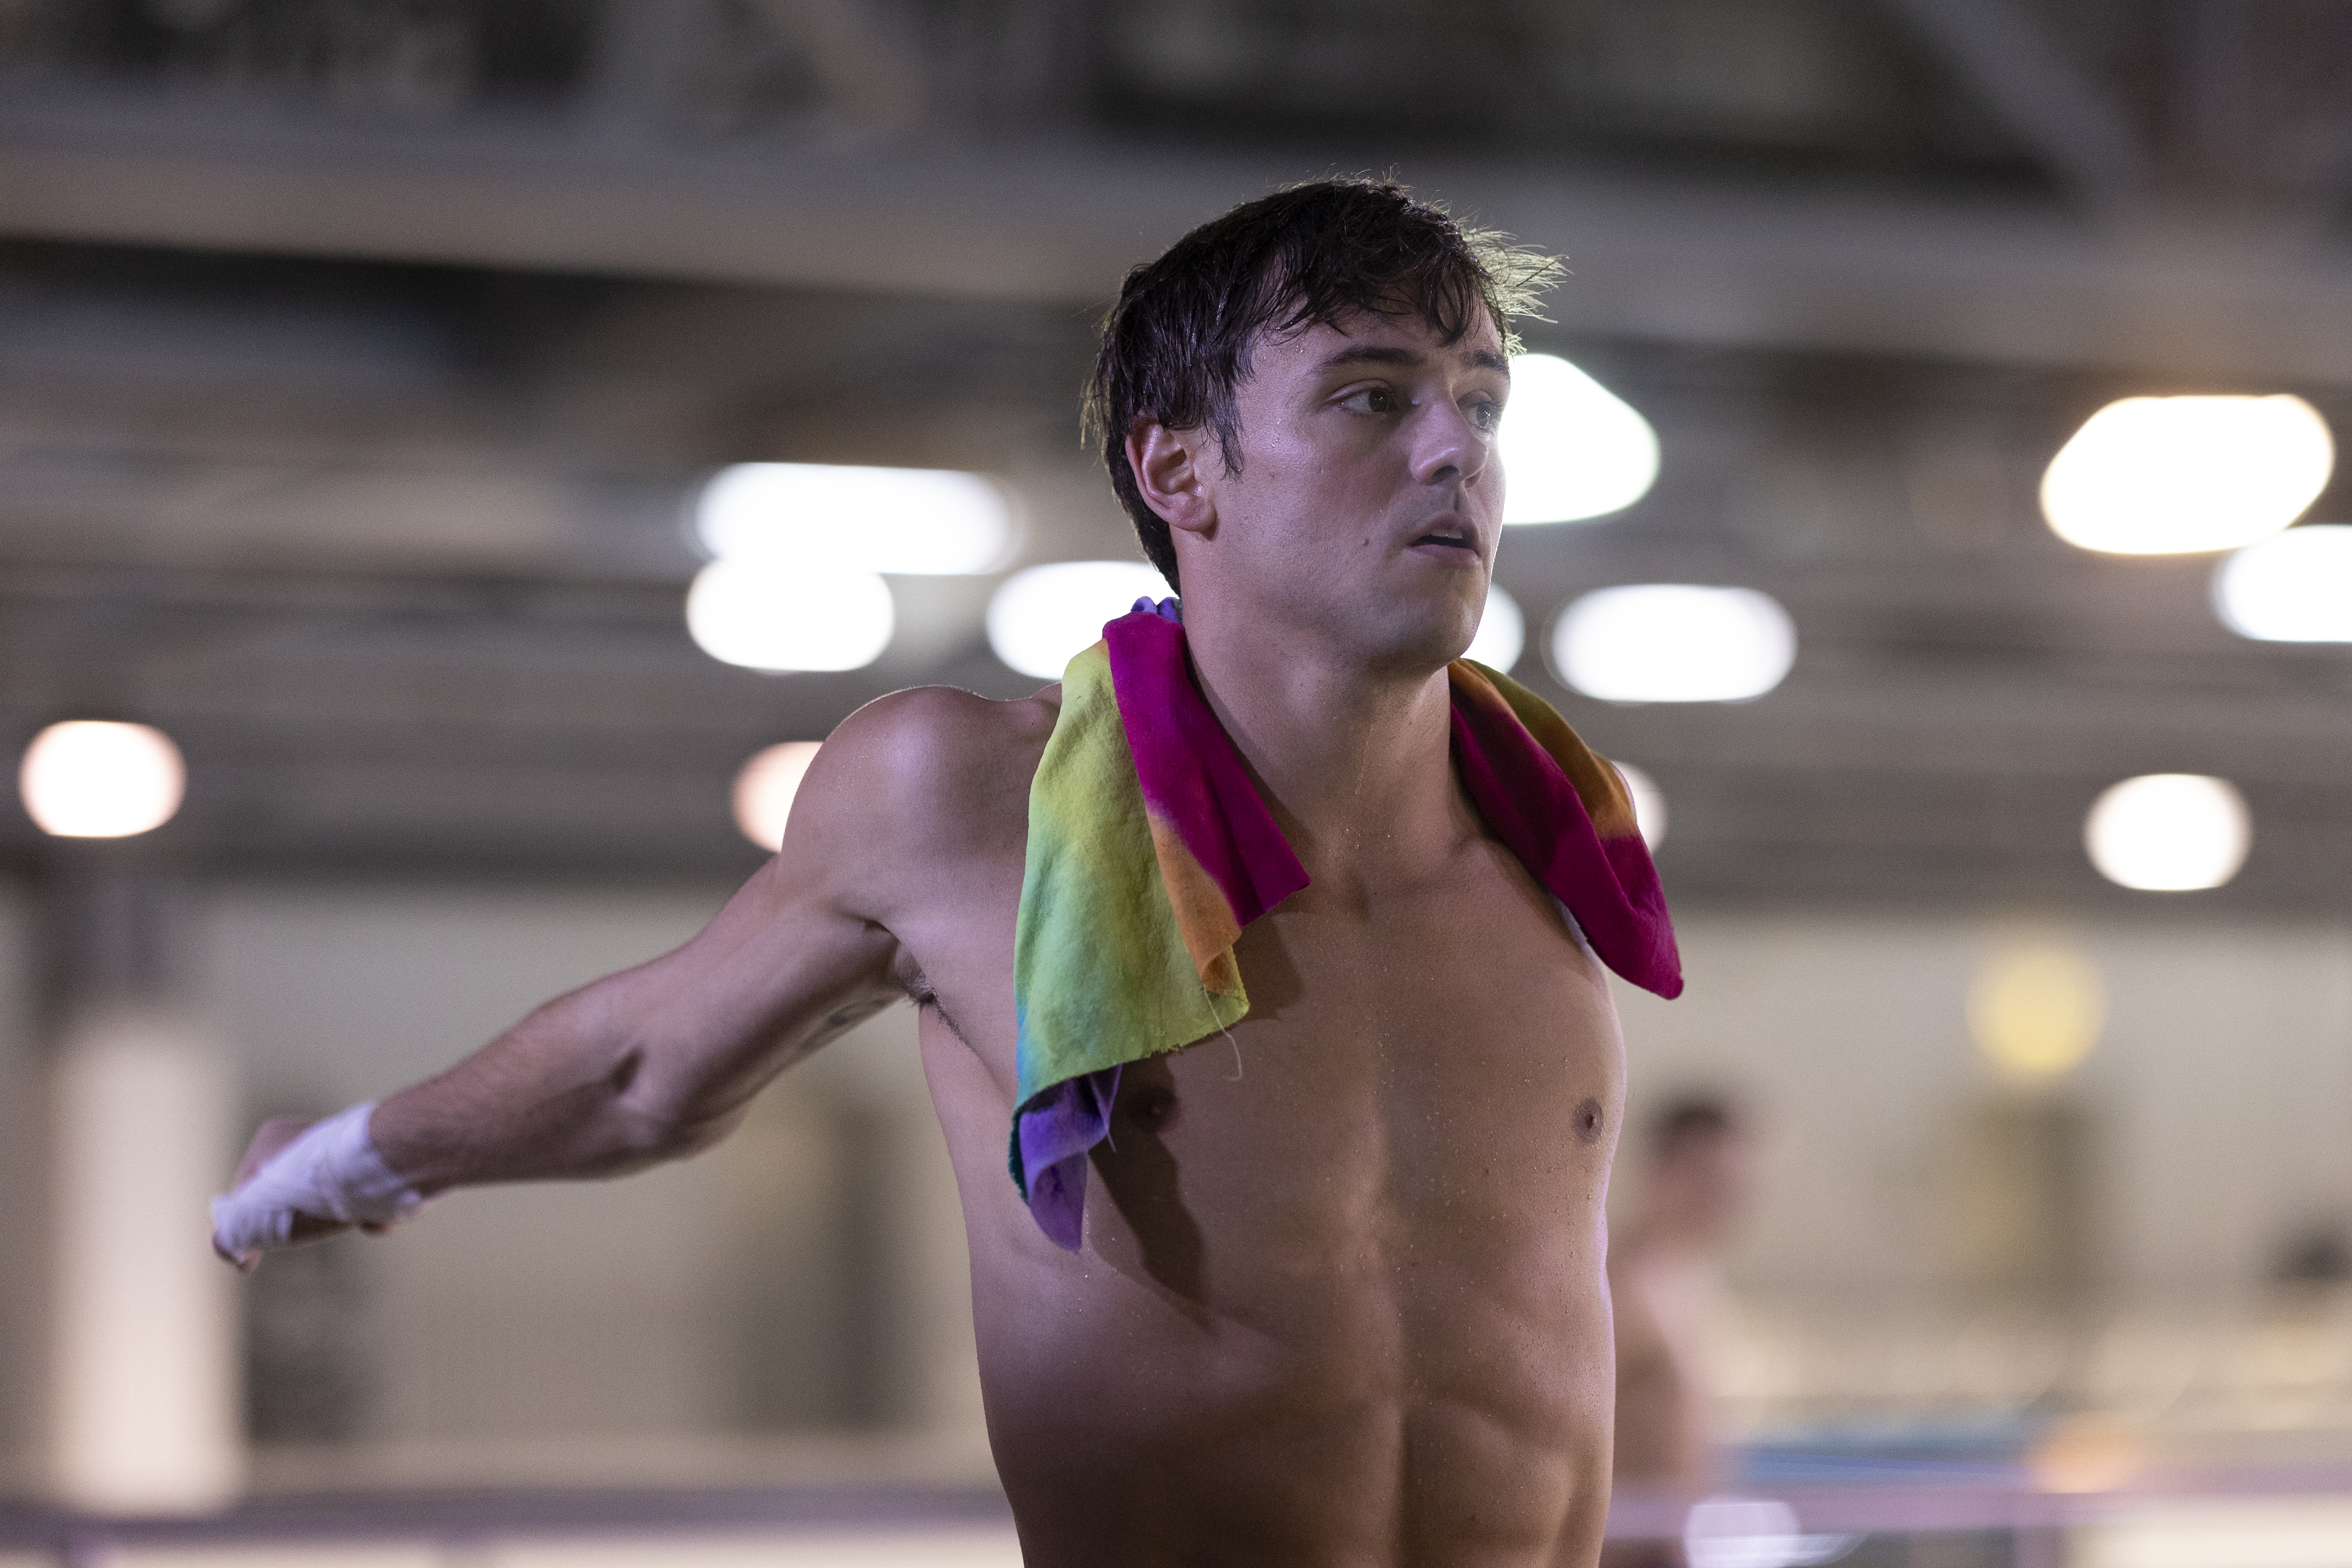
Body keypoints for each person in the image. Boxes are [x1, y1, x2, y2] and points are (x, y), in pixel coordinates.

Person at [212, 180, 1683, 1567]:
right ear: (1177, 467)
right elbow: (645, 1070)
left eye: (1481, 404)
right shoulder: (976, 804)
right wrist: (348, 1156)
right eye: (1372, 397)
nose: (1453, 453)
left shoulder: (1555, 836)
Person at [1604, 1096, 1758, 1539]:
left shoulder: (1694, 1282)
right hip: (1626, 1549)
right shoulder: (1619, 1290)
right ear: (1656, 1170)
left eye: (1733, 1184)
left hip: (1675, 1540)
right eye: (1705, 1178)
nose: (1721, 1200)